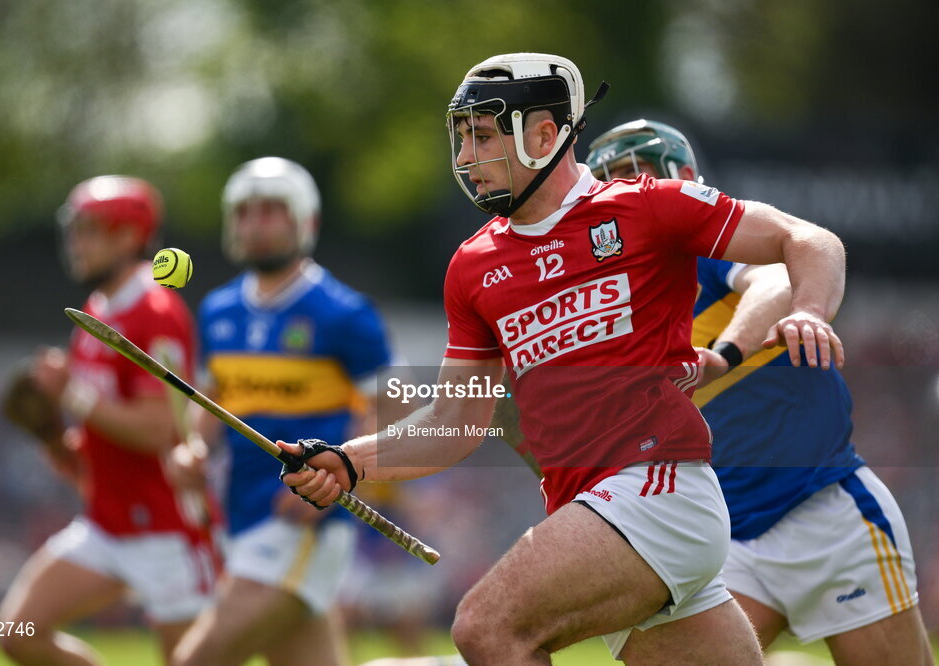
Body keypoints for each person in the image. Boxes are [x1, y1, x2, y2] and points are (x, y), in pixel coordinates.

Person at [283, 52, 847, 664]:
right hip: (601, 512)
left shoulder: (647, 207)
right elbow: (454, 424)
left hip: (657, 488)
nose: (467, 157)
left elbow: (810, 241)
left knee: (484, 627)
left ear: (545, 135)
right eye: (462, 138)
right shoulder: (472, 267)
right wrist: (348, 460)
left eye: (484, 136)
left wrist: (810, 312)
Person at [586, 119, 933, 665]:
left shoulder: (705, 244)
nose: (629, 190)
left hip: (828, 509)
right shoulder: (605, 297)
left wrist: (724, 355)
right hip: (722, 539)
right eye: (611, 181)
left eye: (639, 173)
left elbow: (777, 281)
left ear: (685, 177)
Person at [171, 157, 397, 666]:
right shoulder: (218, 310)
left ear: (305, 221)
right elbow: (211, 405)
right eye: (246, 212)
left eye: (272, 210)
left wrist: (340, 476)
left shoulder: (344, 313)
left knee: (196, 660)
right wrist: (193, 450)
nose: (256, 223)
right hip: (241, 513)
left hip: (302, 518)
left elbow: (388, 406)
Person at [0, 176, 219, 665]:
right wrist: (66, 446)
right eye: (74, 229)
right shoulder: (96, 310)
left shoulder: (155, 310)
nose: (76, 242)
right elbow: (104, 420)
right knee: (15, 631)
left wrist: (68, 392)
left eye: (90, 229)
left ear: (129, 236)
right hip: (108, 523)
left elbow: (158, 430)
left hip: (166, 530)